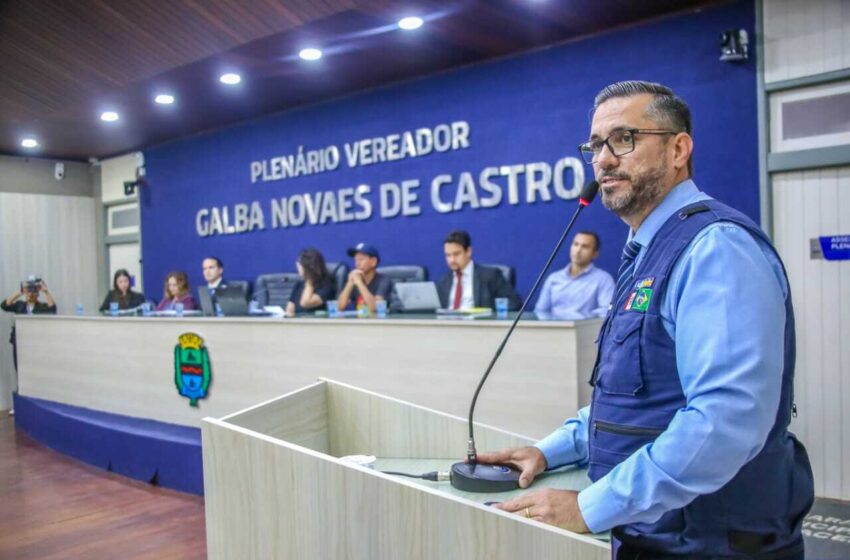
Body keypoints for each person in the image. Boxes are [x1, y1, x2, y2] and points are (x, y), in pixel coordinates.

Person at [477, 81, 813, 559]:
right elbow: (641, 400)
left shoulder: (716, 248)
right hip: (656, 534)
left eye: (624, 139)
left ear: (679, 149)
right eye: (595, 145)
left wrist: (591, 507)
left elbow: (725, 419)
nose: (604, 159)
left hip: (713, 543)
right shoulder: (647, 253)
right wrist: (550, 450)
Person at [533, 231, 614, 320]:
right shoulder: (553, 278)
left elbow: (605, 311)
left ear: (595, 254)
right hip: (553, 331)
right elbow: (540, 311)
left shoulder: (604, 279)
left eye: (585, 246)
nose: (578, 250)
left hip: (586, 331)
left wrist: (580, 321)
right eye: (575, 244)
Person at [435, 230, 522, 310]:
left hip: (479, 325)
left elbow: (515, 303)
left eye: (456, 254)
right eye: (448, 255)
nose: (452, 260)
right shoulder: (443, 282)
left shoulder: (491, 276)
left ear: (468, 251)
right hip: (448, 325)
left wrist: (487, 311)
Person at [2, 277, 57, 372]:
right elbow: (4, 305)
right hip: (19, 340)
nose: (31, 294)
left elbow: (52, 309)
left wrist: (46, 292)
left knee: (34, 366)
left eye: (34, 292)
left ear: (38, 295)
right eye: (29, 292)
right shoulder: (20, 305)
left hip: (35, 341)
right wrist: (20, 292)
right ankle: (21, 386)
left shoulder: (41, 306)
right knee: (19, 366)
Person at [336, 243, 392, 315]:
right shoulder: (355, 281)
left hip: (383, 323)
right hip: (361, 323)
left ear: (373, 262)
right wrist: (349, 283)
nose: (357, 264)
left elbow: (375, 308)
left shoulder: (384, 280)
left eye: (361, 259)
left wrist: (360, 283)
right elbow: (339, 307)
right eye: (356, 260)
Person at [286, 248, 336, 316]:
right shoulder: (298, 285)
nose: (297, 265)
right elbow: (289, 310)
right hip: (297, 324)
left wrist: (310, 281)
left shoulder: (326, 286)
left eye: (300, 263)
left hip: (315, 324)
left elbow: (305, 303)